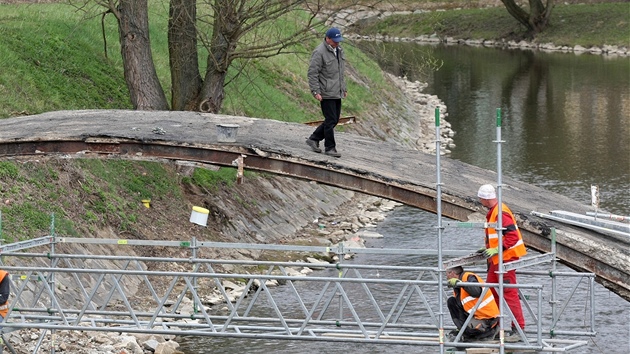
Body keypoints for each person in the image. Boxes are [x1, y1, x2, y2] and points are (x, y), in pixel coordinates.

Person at [476, 184, 527, 336]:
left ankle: (518, 328)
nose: (479, 201)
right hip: (497, 260)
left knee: (509, 293)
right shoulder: (495, 211)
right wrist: (489, 249)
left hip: (506, 260)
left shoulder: (500, 213)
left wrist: (497, 249)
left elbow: (513, 236)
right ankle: (494, 325)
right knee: (491, 292)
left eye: (480, 199)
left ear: (485, 199)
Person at [305, 27, 347, 158]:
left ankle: (314, 138)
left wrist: (343, 88)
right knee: (330, 120)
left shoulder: (339, 51)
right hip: (326, 92)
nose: (337, 43)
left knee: (334, 120)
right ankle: (330, 148)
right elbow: (312, 73)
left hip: (336, 91)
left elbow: (341, 73)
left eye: (338, 41)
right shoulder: (319, 52)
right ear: (327, 39)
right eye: (335, 41)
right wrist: (315, 91)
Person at [446, 266, 499, 342]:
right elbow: (461, 306)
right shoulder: (459, 285)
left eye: (447, 274)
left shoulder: (468, 277)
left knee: (471, 331)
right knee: (451, 302)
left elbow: (476, 291)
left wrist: (460, 284)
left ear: (452, 273)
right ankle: (463, 331)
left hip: (487, 318)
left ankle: (488, 332)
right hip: (475, 315)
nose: (446, 277)